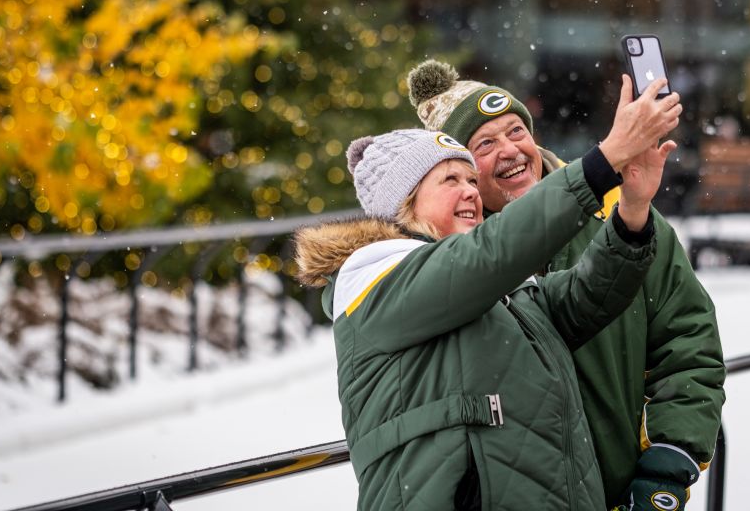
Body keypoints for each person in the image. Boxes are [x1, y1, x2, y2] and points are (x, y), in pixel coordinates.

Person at [294, 90, 678, 510]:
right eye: (450, 180)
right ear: (404, 205)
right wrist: (604, 162)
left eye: (472, 181)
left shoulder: (484, 283)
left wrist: (633, 210)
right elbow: (492, 252)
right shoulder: (380, 276)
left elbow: (584, 296)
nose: (471, 192)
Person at [407, 60, 726, 511]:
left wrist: (667, 464)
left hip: (619, 495)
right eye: (484, 144)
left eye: (517, 131)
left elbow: (689, 341)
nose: (511, 150)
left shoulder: (622, 206)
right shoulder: (452, 258)